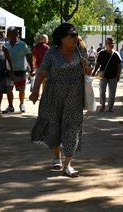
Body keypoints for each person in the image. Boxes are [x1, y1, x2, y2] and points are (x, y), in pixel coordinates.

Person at [30, 23, 92, 177]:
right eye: (72, 35)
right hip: (53, 96)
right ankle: (56, 156)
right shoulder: (52, 53)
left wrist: (87, 66)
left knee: (73, 128)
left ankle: (68, 164)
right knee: (54, 126)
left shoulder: (81, 51)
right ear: (62, 38)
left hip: (74, 97)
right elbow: (42, 72)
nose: (75, 37)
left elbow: (89, 72)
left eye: (76, 34)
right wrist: (35, 90)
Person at [4, 27, 33, 113]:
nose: (6, 35)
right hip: (9, 72)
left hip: (20, 71)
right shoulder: (6, 45)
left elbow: (28, 56)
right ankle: (10, 106)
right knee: (9, 90)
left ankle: (21, 104)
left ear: (14, 35)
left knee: (21, 90)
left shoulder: (23, 45)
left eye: (8, 34)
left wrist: (31, 67)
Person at [92, 37, 122, 112]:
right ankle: (102, 105)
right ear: (106, 44)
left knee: (112, 92)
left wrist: (118, 75)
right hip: (103, 75)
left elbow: (119, 66)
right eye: (109, 43)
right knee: (102, 90)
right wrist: (94, 71)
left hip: (113, 76)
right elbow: (98, 64)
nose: (111, 45)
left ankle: (110, 107)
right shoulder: (101, 53)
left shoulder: (116, 54)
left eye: (112, 43)